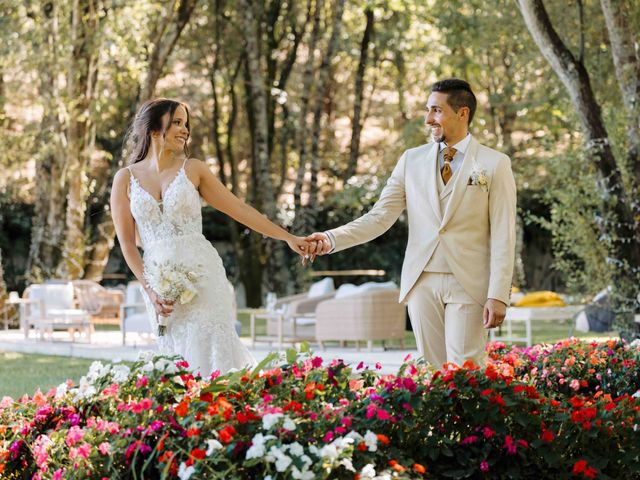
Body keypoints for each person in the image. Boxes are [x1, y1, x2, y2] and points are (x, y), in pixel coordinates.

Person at [305, 79, 517, 368]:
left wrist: (498, 294)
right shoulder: (411, 161)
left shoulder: (495, 163)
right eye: (428, 110)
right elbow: (379, 217)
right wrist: (331, 239)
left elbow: (504, 235)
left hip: (469, 282)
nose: (429, 119)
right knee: (432, 369)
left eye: (437, 111)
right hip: (422, 280)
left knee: (466, 369)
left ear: (462, 113)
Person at [110, 98, 309, 375]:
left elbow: (239, 208)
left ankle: (226, 408)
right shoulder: (125, 178)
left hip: (203, 275)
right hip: (159, 282)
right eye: (177, 122)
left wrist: (286, 237)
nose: (185, 130)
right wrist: (150, 289)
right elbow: (127, 244)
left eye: (185, 124)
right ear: (154, 128)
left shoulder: (193, 170)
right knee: (177, 355)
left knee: (213, 347)